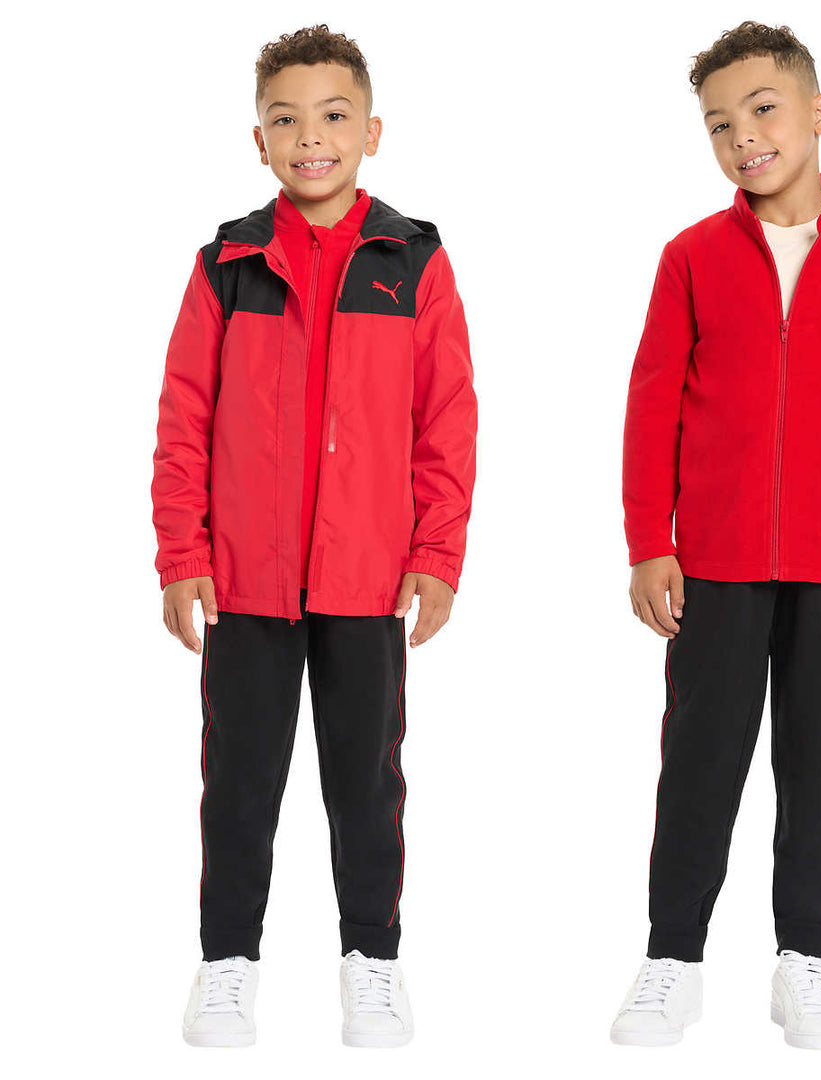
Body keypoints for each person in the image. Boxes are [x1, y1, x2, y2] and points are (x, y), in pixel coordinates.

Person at [610, 20, 821, 1050]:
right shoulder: (692, 259)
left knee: (819, 761)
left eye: (762, 110)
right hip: (716, 561)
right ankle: (672, 960)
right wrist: (649, 541)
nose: (743, 136)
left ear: (817, 113)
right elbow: (652, 405)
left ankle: (808, 959)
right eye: (719, 124)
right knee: (699, 761)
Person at [151, 24, 477, 1048]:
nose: (310, 138)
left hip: (367, 580)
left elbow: (447, 418)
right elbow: (183, 417)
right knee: (238, 782)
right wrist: (182, 554)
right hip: (245, 580)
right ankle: (227, 963)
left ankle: (371, 961)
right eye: (285, 120)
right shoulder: (228, 264)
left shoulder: (412, 260)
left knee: (367, 781)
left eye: (333, 117)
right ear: (259, 141)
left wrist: (436, 555)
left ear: (371, 131)